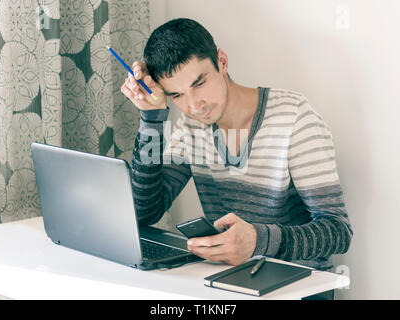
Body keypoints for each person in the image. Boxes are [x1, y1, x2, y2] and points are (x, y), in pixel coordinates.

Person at [121, 18, 352, 270]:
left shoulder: (294, 117)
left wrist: (258, 241)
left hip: (299, 285)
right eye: (176, 95)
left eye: (199, 83)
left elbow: (338, 232)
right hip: (228, 281)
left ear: (222, 61)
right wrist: (151, 117)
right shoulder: (191, 126)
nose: (194, 105)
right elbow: (145, 212)